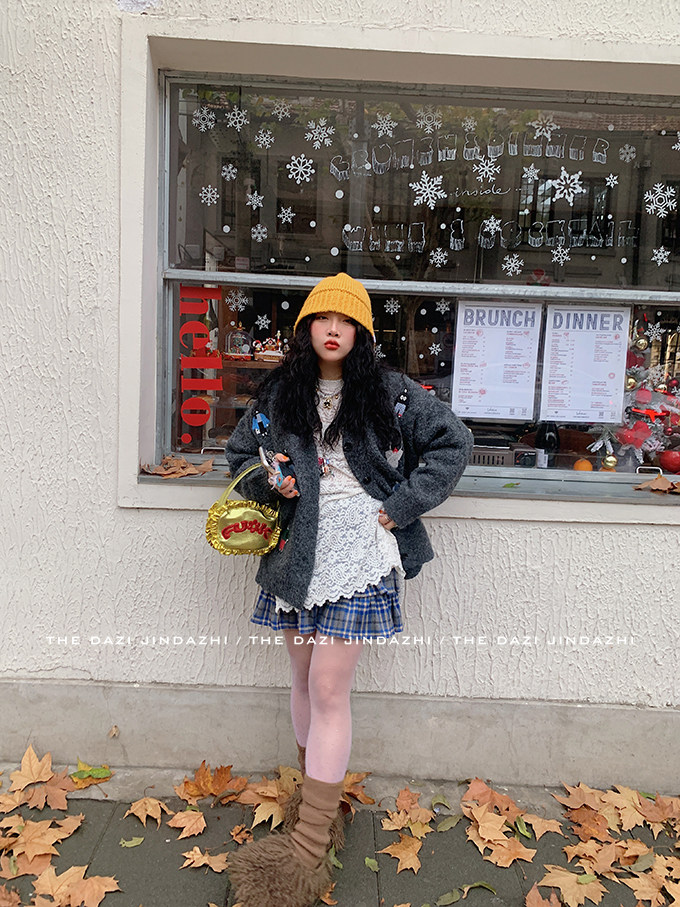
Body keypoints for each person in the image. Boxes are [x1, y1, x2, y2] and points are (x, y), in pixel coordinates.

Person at [224, 272, 473, 907]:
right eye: (322, 318)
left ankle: (306, 850)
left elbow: (453, 443)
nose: (333, 329)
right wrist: (270, 481)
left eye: (346, 321)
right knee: (303, 680)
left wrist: (403, 504)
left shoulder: (389, 392)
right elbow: (240, 454)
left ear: (361, 332)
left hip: (360, 551)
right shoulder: (281, 392)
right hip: (296, 551)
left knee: (330, 687)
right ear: (307, 327)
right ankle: (319, 804)